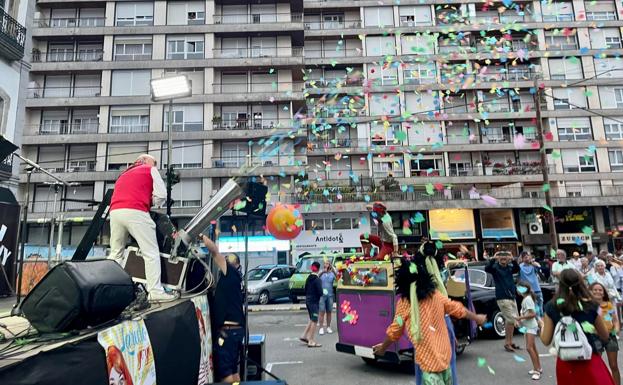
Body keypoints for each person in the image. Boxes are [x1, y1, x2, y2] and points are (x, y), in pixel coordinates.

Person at [373, 257, 486, 385]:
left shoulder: (404, 303)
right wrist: (477, 318)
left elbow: (395, 329)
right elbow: (457, 308)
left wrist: (382, 348)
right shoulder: (436, 296)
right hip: (444, 359)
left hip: (427, 364)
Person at [107, 154, 175, 301]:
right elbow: (161, 195)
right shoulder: (149, 169)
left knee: (116, 253)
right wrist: (153, 201)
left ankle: (108, 290)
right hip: (135, 210)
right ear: (145, 161)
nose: (155, 165)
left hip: (115, 212)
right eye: (154, 162)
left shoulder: (123, 174)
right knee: (150, 252)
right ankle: (155, 292)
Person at [540, 269, 614, 385]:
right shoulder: (592, 305)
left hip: (566, 361)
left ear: (561, 284)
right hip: (589, 358)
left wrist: (542, 325)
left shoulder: (552, 306)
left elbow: (545, 340)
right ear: (580, 283)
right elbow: (604, 336)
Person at [201, 235, 244, 383]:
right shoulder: (236, 278)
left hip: (228, 332)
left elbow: (214, 251)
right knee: (234, 371)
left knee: (226, 374)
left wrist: (202, 237)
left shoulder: (230, 273)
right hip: (235, 332)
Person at [485, 250, 521, 352]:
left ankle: (510, 342)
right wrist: (493, 259)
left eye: (505, 257)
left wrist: (512, 259)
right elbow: (487, 268)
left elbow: (517, 269)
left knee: (513, 320)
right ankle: (507, 343)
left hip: (511, 296)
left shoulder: (509, 268)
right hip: (502, 297)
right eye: (501, 257)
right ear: (498, 258)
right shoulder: (495, 268)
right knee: (510, 320)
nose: (503, 258)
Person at [590, 282, 621, 385]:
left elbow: (616, 321)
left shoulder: (609, 305)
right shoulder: (588, 306)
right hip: (595, 337)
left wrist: (616, 330)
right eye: (595, 289)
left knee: (614, 365)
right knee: (597, 366)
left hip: (610, 337)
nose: (597, 292)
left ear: (603, 293)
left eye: (600, 290)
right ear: (590, 291)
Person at [515, 281, 543, 381]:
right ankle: (538, 367)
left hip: (531, 326)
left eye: (518, 288)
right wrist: (520, 320)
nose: (517, 290)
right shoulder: (526, 299)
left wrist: (520, 318)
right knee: (533, 348)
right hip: (528, 326)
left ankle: (537, 371)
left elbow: (533, 314)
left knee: (529, 348)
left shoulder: (527, 299)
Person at [301, 261, 323, 348]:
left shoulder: (308, 278)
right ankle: (311, 340)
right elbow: (320, 292)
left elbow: (305, 289)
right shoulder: (317, 280)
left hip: (308, 300)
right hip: (314, 302)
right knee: (314, 320)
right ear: (318, 269)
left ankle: (304, 335)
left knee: (311, 318)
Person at [519, 251, 543, 317]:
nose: (527, 258)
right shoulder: (520, 267)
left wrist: (534, 263)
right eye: (525, 257)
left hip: (537, 289)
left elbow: (541, 270)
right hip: (529, 291)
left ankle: (542, 325)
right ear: (522, 258)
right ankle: (540, 325)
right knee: (535, 310)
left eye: (528, 256)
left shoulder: (534, 265)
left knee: (540, 309)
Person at [318, 259, 336, 335]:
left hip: (330, 295)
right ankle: (321, 328)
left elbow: (338, 276)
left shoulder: (332, 274)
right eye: (325, 263)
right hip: (322, 295)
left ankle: (328, 327)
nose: (326, 265)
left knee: (329, 311)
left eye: (328, 263)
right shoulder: (321, 273)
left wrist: (333, 269)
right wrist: (323, 271)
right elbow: (316, 276)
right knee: (321, 311)